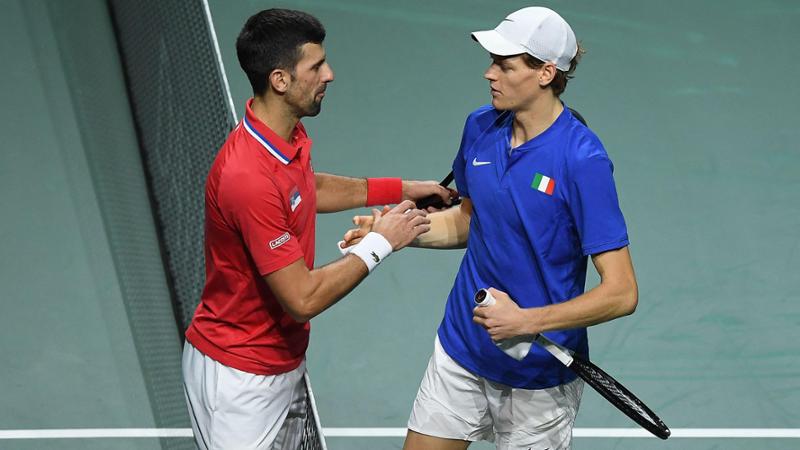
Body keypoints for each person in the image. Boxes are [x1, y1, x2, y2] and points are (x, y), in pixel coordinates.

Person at [343, 6, 638, 450]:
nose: (489, 74)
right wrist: (394, 233)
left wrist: (525, 321)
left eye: (505, 64)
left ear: (545, 73)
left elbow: (621, 292)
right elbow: (470, 221)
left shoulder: (582, 161)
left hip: (538, 376)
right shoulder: (480, 127)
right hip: (462, 347)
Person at [181, 8, 453, 450]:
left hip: (283, 362)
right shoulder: (248, 177)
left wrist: (404, 187)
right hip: (239, 380)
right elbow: (302, 298)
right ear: (280, 80)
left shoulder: (286, 139)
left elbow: (306, 188)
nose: (329, 74)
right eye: (316, 66)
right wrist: (383, 241)